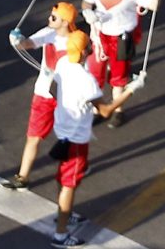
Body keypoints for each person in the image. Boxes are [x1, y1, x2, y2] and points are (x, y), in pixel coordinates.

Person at [47, 28, 128, 247]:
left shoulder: (63, 65)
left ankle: (64, 214)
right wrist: (130, 90)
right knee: (70, 184)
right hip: (76, 138)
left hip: (62, 129)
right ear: (83, 52)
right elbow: (105, 111)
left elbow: (54, 90)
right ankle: (61, 234)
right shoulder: (86, 79)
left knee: (63, 178)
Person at [3, 1, 80, 190]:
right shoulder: (48, 33)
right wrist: (17, 41)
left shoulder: (77, 41)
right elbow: (27, 44)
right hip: (43, 93)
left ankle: (74, 169)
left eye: (54, 17)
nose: (49, 19)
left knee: (70, 138)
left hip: (66, 97)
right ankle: (22, 176)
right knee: (33, 136)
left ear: (65, 22)